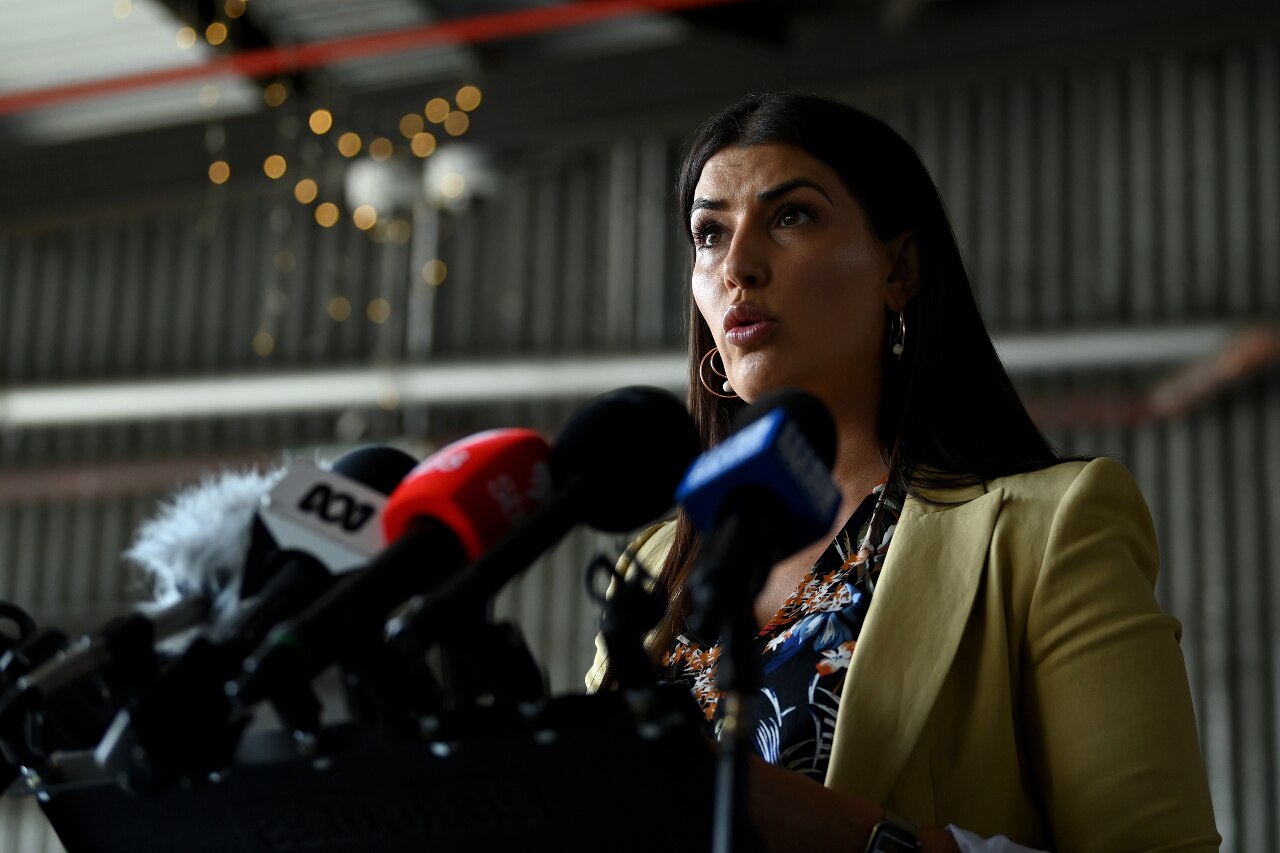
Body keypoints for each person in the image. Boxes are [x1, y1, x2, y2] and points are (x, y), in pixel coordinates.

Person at [586, 92, 1219, 853]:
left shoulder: (1047, 529)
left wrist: (850, 836)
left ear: (901, 268)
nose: (738, 268)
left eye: (791, 217)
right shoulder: (655, 563)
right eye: (710, 234)